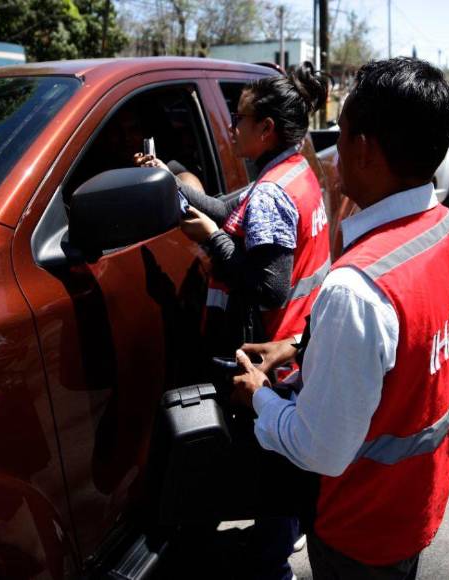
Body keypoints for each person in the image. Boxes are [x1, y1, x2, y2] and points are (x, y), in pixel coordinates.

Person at [232, 57, 449, 580]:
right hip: (418, 500)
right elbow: (404, 349)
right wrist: (303, 345)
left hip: (360, 527)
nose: (330, 151)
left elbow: (318, 448)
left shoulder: (356, 290)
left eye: (341, 134)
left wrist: (258, 393)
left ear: (365, 149)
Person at [141, 62, 331, 580]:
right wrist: (165, 175)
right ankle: (280, 537)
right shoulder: (293, 171)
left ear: (265, 129)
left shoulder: (269, 192)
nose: (232, 127)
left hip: (276, 356)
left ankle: (271, 565)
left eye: (241, 118)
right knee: (286, 468)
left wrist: (211, 239)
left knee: (271, 468)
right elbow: (219, 204)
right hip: (301, 344)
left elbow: (269, 285)